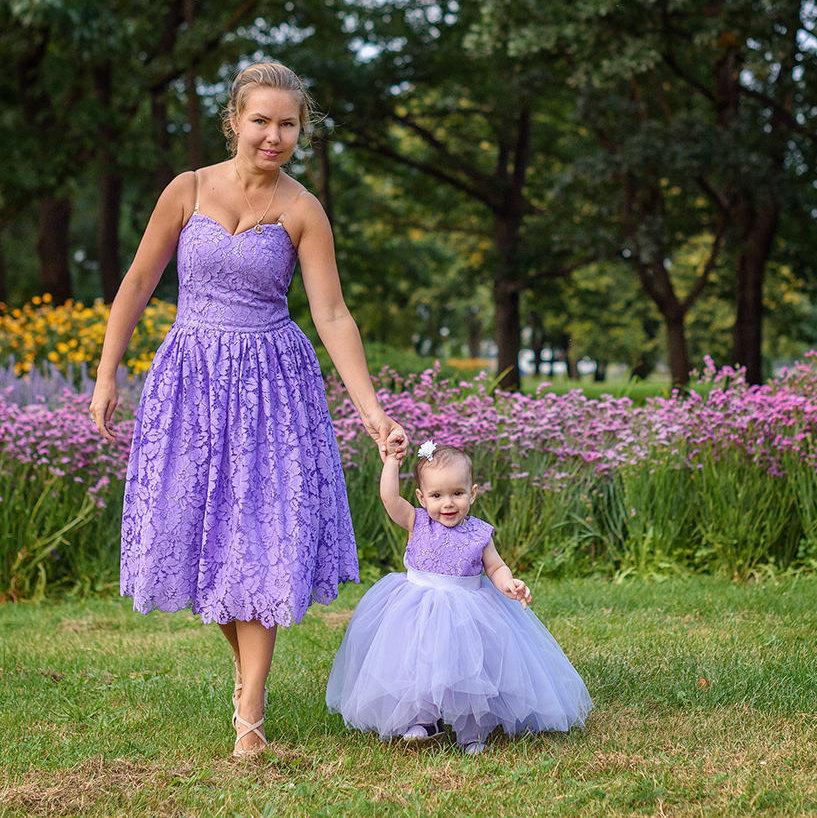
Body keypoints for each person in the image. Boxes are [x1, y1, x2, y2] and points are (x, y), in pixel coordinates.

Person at [88, 61, 408, 759]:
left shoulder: (302, 209)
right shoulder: (187, 189)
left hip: (272, 389)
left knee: (256, 540)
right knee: (198, 537)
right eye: (260, 121)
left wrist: (372, 411)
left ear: (302, 130)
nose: (273, 135)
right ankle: (246, 677)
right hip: (189, 383)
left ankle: (250, 717)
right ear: (234, 120)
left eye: (287, 124)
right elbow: (139, 280)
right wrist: (108, 373)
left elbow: (331, 313)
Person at [326, 439, 592, 754]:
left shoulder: (480, 533)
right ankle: (423, 719)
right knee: (418, 664)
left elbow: (495, 567)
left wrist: (509, 583)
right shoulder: (417, 521)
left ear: (473, 493)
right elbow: (389, 497)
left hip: (467, 610)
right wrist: (392, 463)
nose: (448, 503)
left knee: (468, 671)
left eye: (457, 493)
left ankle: (472, 731)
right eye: (437, 496)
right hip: (417, 606)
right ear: (421, 498)